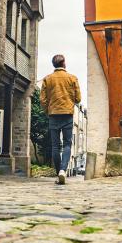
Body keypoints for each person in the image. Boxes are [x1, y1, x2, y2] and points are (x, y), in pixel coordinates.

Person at [40, 54, 81, 185]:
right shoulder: (72, 78)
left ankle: (59, 173)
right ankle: (63, 170)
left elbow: (43, 100)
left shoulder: (47, 79)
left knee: (55, 146)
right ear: (64, 64)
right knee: (68, 144)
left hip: (53, 114)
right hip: (67, 114)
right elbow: (78, 98)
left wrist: (48, 110)